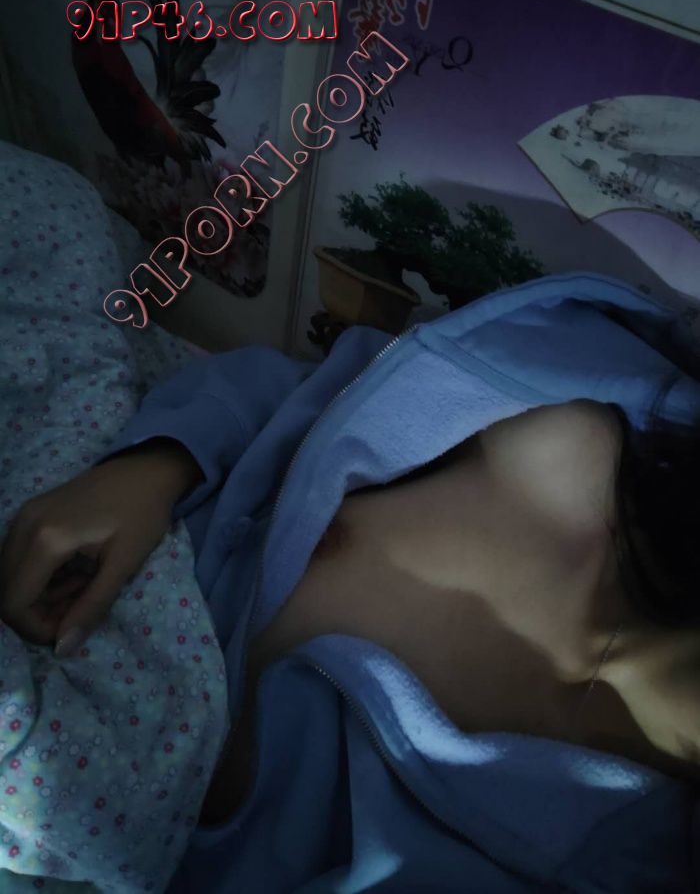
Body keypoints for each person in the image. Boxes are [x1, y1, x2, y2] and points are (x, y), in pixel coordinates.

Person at [1, 271, 699, 893]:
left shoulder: (557, 859)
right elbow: (319, 389)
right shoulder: (627, 421)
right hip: (113, 449)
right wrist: (158, 462)